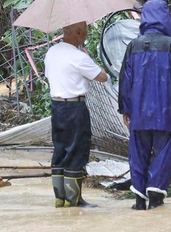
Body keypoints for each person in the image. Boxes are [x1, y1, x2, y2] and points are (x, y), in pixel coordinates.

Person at [117, 0, 171, 210]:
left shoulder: (133, 46)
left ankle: (140, 200)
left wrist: (125, 108)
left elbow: (125, 80)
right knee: (165, 152)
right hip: (167, 111)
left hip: (139, 113)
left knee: (138, 154)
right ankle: (156, 192)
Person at [43, 20, 108, 208]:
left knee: (61, 148)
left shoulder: (51, 52)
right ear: (79, 32)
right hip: (75, 108)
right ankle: (74, 200)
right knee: (77, 149)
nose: (86, 35)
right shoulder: (78, 56)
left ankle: (60, 198)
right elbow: (102, 77)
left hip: (57, 107)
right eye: (85, 32)